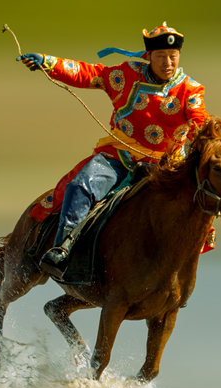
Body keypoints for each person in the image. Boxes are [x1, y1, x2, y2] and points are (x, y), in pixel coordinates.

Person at [17, 23, 210, 267]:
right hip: (118, 158)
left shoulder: (190, 90)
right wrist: (48, 62)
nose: (168, 63)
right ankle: (63, 247)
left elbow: (199, 122)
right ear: (149, 56)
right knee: (80, 186)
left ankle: (178, 269)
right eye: (161, 57)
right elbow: (90, 73)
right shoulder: (126, 75)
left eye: (173, 57)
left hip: (165, 169)